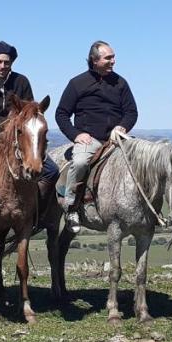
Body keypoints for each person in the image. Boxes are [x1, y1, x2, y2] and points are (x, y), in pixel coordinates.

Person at [54, 41, 138, 230]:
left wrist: (122, 127)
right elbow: (61, 114)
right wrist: (76, 135)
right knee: (81, 162)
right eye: (108, 58)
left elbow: (131, 112)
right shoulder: (77, 83)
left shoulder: (120, 83)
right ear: (94, 60)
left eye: (113, 57)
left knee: (143, 160)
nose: (113, 61)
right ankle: (71, 207)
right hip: (90, 139)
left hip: (116, 138)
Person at [0, 41, 59, 198]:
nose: (3, 66)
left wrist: (17, 123)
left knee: (51, 171)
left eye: (7, 62)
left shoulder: (21, 81)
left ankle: (39, 212)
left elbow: (31, 109)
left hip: (21, 131)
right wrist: (5, 123)